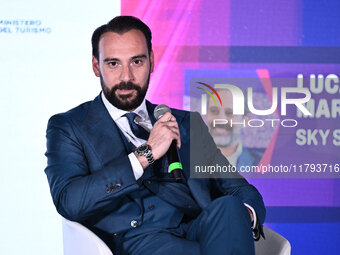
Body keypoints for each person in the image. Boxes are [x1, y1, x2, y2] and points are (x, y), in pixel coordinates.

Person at [44, 16, 265, 255]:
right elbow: (69, 201)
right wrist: (145, 155)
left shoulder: (186, 122)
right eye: (113, 64)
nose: (126, 76)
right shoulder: (69, 127)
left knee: (229, 207)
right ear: (96, 66)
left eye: (136, 62)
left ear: (151, 61)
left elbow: (239, 188)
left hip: (197, 228)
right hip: (137, 240)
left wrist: (243, 218)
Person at [206, 89, 265, 169]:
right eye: (214, 111)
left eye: (230, 113)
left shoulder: (264, 164)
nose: (220, 119)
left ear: (245, 120)